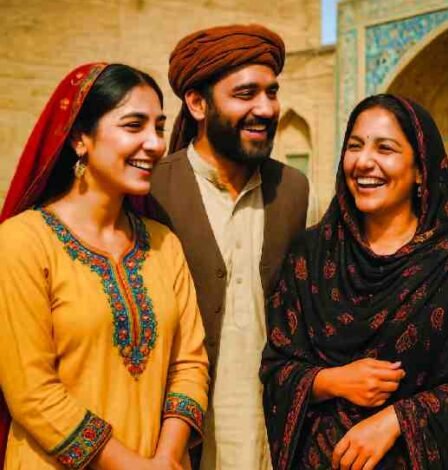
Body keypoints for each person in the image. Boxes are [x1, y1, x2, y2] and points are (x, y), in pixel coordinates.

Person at [261, 94, 448, 470]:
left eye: (385, 149)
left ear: (421, 170)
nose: (364, 161)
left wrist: (399, 419)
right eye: (355, 146)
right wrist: (332, 381)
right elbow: (277, 368)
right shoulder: (313, 253)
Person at [0, 63, 209, 469]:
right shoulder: (22, 242)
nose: (154, 144)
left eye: (159, 128)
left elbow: (190, 363)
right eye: (134, 126)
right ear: (80, 138)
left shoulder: (163, 244)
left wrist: (165, 458)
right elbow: (32, 392)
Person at [139, 24, 309, 470]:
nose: (266, 108)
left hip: (267, 437)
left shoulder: (292, 191)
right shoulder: (151, 190)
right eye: (246, 94)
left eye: (271, 93)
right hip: (174, 443)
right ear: (197, 103)